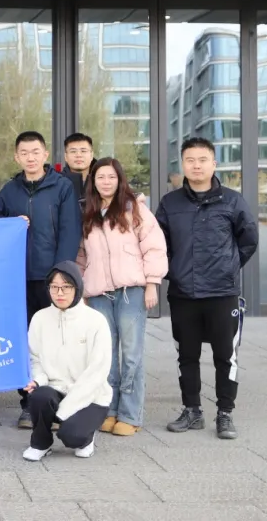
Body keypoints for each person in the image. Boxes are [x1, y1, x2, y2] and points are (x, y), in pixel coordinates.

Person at [156, 137, 258, 441]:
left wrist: (228, 268)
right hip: (183, 293)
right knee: (186, 356)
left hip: (222, 293)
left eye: (202, 160)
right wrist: (175, 271)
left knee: (225, 356)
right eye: (190, 160)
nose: (196, 166)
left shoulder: (233, 201)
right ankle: (192, 410)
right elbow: (159, 245)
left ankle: (225, 413)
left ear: (214, 163)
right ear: (183, 165)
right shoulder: (170, 203)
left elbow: (249, 240)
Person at [0, 131, 81, 430]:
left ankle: (59, 401)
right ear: (17, 157)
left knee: (57, 342)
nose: (30, 157)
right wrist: (10, 223)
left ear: (45, 154)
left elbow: (70, 230)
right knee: (27, 342)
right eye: (24, 153)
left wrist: (62, 275)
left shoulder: (62, 187)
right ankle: (28, 403)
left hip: (52, 279)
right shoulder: (9, 190)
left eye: (35, 152)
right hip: (19, 278)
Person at [79, 158, 167, 437]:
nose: (106, 182)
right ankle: (109, 410)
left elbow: (154, 247)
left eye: (111, 177)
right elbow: (82, 256)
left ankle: (130, 414)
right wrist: (81, 290)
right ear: (93, 182)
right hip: (99, 295)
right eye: (100, 177)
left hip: (131, 292)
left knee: (131, 355)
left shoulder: (135, 209)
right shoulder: (88, 213)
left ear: (120, 180)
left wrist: (152, 284)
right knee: (105, 355)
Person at [21, 261, 112, 462]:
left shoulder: (96, 321)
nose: (59, 293)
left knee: (71, 436)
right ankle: (40, 443)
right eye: (54, 287)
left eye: (66, 287)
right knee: (39, 396)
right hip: (56, 388)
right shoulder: (40, 318)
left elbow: (97, 372)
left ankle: (86, 438)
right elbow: (34, 358)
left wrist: (63, 413)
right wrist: (37, 380)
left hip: (91, 394)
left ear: (77, 287)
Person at [62, 133, 96, 204]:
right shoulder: (57, 182)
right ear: (65, 157)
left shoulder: (102, 181)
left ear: (91, 155)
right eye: (73, 151)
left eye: (83, 151)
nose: (78, 155)